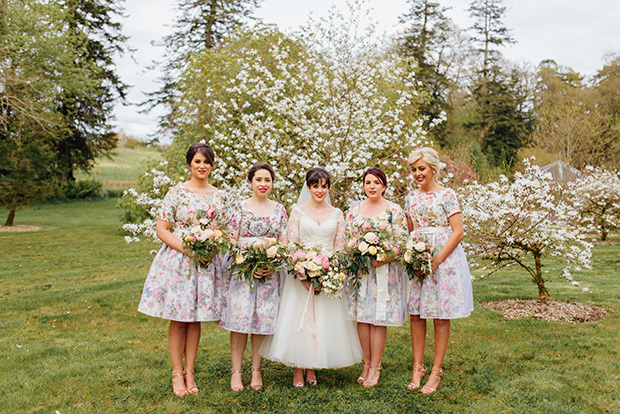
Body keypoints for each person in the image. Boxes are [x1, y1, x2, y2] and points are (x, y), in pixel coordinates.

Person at [138, 142, 228, 397]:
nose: (202, 166)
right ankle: (177, 372)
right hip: (180, 262)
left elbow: (223, 230)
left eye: (207, 161)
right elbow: (162, 229)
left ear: (212, 165)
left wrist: (211, 248)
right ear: (190, 163)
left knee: (196, 317)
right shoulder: (176, 192)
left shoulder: (219, 195)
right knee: (179, 317)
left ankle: (190, 371)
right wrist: (188, 249)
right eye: (198, 161)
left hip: (206, 263)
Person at [259, 168, 362, 387]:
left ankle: (312, 366)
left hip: (327, 276)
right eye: (315, 185)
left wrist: (329, 272)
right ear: (308, 187)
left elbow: (339, 246)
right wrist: (302, 273)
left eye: (324, 186)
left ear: (328, 188)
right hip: (301, 276)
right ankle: (298, 367)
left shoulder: (337, 214)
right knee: (301, 321)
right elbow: (292, 245)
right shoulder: (297, 211)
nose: (320, 190)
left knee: (321, 321)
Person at [404, 147, 474, 394]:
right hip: (418, 257)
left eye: (421, 168)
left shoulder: (447, 195)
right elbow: (411, 231)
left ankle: (436, 370)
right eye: (413, 170)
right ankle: (417, 366)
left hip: (442, 259)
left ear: (433, 168)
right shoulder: (411, 198)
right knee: (416, 314)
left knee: (440, 315)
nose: (417, 174)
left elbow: (458, 232)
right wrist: (414, 256)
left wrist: (435, 261)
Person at [219, 163, 288, 392]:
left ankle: (256, 371)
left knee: (261, 322)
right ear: (251, 182)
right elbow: (232, 239)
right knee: (240, 323)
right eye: (258, 179)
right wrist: (248, 263)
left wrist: (273, 264)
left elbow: (284, 242)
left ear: (272, 183)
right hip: (242, 272)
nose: (263, 184)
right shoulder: (239, 208)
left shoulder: (279, 210)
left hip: (269, 274)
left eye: (267, 180)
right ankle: (236, 372)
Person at [344, 168, 408, 387]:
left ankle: (376, 366)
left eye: (376, 182)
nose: (371, 186)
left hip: (384, 272)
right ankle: (365, 362)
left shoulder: (394, 210)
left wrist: (384, 257)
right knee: (362, 316)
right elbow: (348, 238)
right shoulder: (354, 209)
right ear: (363, 185)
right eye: (368, 182)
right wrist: (357, 252)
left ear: (384, 186)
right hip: (361, 271)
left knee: (378, 318)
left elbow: (401, 242)